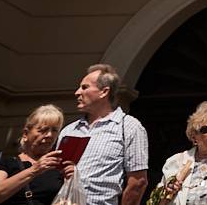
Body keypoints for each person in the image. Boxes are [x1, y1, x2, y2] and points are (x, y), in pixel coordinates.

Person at [58, 65, 148, 205]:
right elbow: (56, 177)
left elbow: (138, 182)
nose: (77, 92)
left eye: (85, 87)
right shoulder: (69, 130)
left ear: (104, 92)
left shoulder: (128, 127)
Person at [0, 105, 65, 205]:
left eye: (54, 130)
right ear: (25, 134)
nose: (49, 135)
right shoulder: (9, 164)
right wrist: (34, 170)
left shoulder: (57, 168)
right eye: (43, 130)